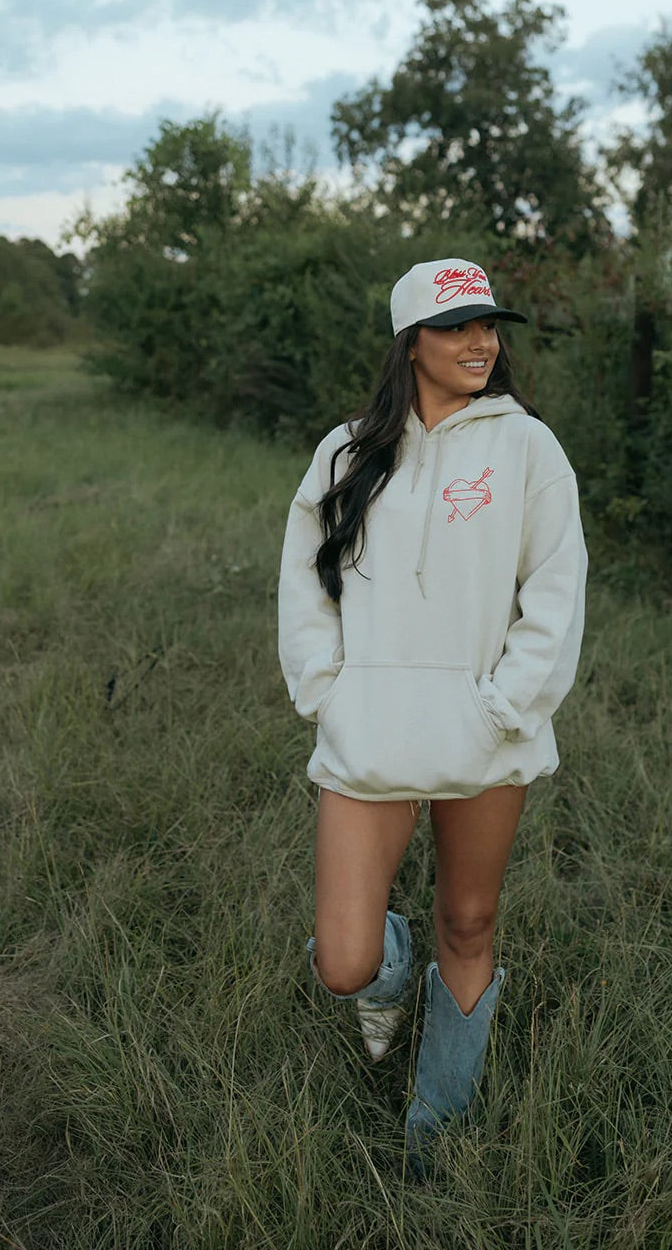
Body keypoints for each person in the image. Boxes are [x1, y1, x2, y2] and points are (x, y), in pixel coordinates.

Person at [277, 256, 588, 1176]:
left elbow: (556, 590)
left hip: (485, 733)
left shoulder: (528, 447)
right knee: (343, 960)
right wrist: (327, 693)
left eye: (489, 326)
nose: (479, 342)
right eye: (457, 327)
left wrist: (501, 708)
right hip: (370, 729)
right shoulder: (346, 453)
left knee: (469, 921)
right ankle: (388, 961)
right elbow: (305, 582)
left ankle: (435, 1130)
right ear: (411, 342)